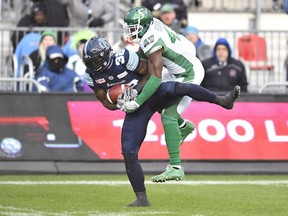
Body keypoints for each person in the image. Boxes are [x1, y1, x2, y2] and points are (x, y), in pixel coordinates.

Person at [82, 36, 240, 207]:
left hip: (150, 93)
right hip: (135, 108)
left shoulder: (124, 57)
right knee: (128, 152)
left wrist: (135, 92)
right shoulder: (91, 75)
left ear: (106, 55)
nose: (93, 64)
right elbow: (104, 102)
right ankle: (141, 198)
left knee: (182, 87)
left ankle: (222, 100)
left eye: (96, 60)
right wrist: (118, 103)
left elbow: (150, 72)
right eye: (90, 61)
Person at [122, 6, 207, 182]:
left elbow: (154, 78)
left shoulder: (151, 39)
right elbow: (144, 56)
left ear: (143, 25)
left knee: (168, 115)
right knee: (161, 104)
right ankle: (184, 127)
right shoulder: (152, 25)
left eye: (133, 27)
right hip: (180, 68)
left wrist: (137, 102)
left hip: (188, 73)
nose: (130, 31)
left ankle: (175, 167)